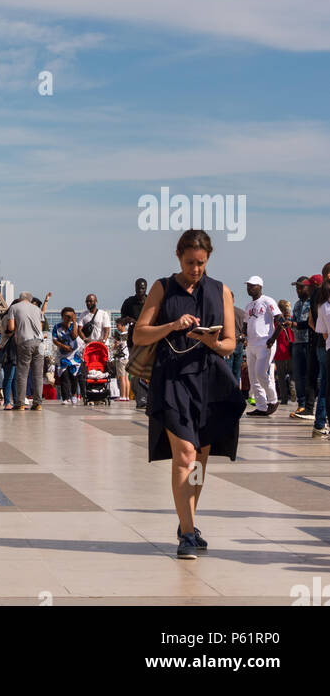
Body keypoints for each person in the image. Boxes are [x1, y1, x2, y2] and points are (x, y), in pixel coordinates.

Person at [134, 229, 244, 560]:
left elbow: (229, 344)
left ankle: (190, 522)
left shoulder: (221, 291)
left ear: (208, 259)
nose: (195, 269)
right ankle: (185, 532)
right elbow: (140, 334)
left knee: (199, 458)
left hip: (209, 381)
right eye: (189, 262)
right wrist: (171, 325)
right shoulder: (163, 288)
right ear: (178, 256)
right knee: (184, 453)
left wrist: (210, 340)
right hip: (172, 379)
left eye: (200, 263)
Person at [244, 276, 282, 417]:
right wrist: (243, 336)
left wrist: (272, 339)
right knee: (253, 376)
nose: (249, 288)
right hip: (251, 344)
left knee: (261, 373)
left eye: (252, 285)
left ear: (260, 287)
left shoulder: (267, 301)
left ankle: (272, 400)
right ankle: (261, 406)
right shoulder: (249, 306)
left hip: (265, 343)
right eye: (248, 286)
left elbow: (280, 320)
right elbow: (245, 324)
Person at [9, 291, 49, 411]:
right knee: (38, 375)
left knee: (22, 374)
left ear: (20, 299)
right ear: (30, 300)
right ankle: (38, 403)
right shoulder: (37, 309)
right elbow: (40, 327)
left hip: (25, 342)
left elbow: (11, 328)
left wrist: (20, 328)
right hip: (39, 342)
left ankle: (20, 403)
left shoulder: (14, 307)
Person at [309, 263, 330, 440]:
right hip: (325, 346)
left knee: (324, 385)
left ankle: (320, 423)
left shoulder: (319, 298)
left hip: (324, 345)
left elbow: (314, 324)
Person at [290, 276, 316, 420]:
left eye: (301, 287)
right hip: (297, 342)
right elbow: (295, 320)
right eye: (296, 288)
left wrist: (294, 324)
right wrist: (289, 322)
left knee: (308, 375)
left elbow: (308, 323)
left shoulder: (313, 303)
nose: (298, 290)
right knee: (298, 375)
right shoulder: (297, 304)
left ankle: (308, 404)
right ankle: (301, 403)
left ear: (308, 287)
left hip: (308, 342)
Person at [120, 278, 148, 408]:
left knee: (148, 370)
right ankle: (140, 397)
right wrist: (127, 320)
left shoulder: (150, 301)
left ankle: (149, 397)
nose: (140, 291)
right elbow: (121, 320)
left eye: (142, 288)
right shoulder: (129, 302)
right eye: (138, 288)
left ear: (146, 288)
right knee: (136, 372)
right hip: (133, 341)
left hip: (148, 340)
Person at [52, 308, 82, 405]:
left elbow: (74, 336)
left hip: (74, 356)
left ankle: (73, 394)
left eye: (70, 316)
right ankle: (65, 397)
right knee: (64, 377)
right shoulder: (57, 327)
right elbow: (54, 339)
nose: (68, 318)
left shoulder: (75, 325)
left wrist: (73, 321)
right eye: (66, 316)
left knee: (73, 376)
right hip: (63, 356)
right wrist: (63, 346)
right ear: (62, 316)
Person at [273, 301, 295, 408]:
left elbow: (273, 334)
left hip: (279, 352)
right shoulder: (292, 320)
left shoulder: (277, 321)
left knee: (281, 377)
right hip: (291, 350)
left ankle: (284, 399)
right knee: (292, 374)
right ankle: (292, 388)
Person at [111, 316, 130, 402]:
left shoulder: (120, 336)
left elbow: (116, 347)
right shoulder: (128, 334)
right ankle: (126, 396)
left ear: (122, 325)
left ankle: (122, 396)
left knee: (122, 378)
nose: (117, 327)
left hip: (121, 358)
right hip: (127, 357)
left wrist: (115, 343)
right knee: (126, 378)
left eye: (118, 325)